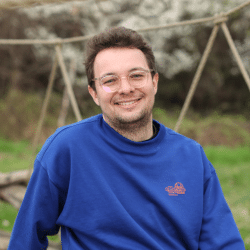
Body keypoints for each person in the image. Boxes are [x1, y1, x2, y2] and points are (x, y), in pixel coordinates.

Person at [8, 27, 244, 249]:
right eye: (110, 80)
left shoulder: (192, 156)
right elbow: (25, 239)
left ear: (154, 82)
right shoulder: (67, 148)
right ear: (94, 93)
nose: (126, 88)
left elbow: (224, 243)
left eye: (136, 75)